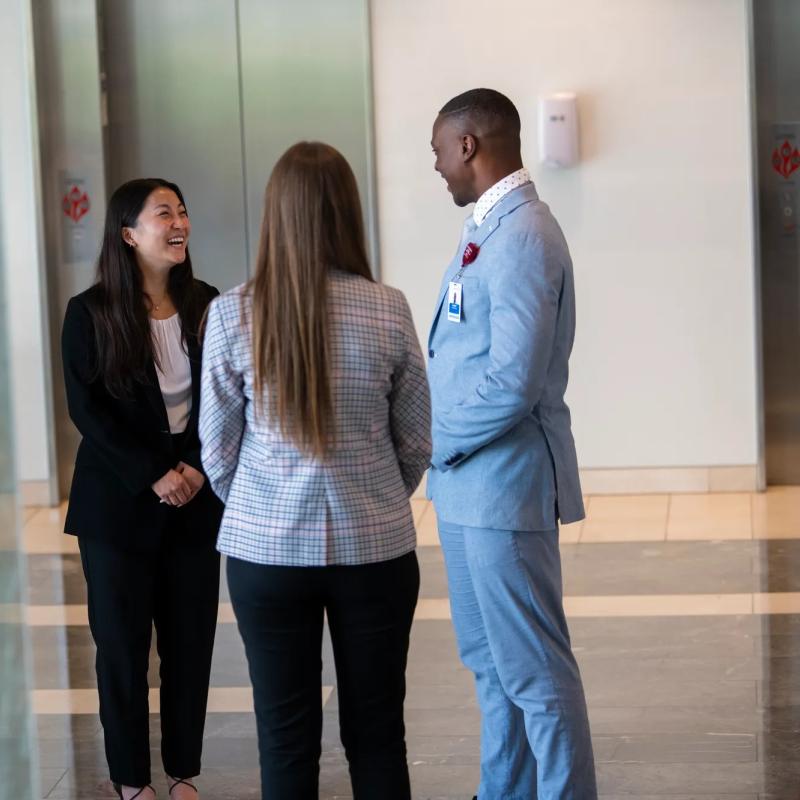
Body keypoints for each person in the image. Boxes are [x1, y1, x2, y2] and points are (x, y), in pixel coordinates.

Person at [200, 141, 431, 800]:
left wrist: (258, 506)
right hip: (377, 550)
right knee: (379, 734)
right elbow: (415, 442)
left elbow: (216, 452)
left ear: (276, 214)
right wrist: (379, 495)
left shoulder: (231, 314)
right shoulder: (388, 308)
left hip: (265, 555)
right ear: (346, 214)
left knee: (284, 737)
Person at [427, 88, 597, 798]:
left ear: (469, 144)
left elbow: (513, 382)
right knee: (491, 666)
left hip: (503, 490)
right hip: (468, 490)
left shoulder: (525, 233)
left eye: (438, 148)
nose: (434, 164)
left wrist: (428, 441)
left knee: (535, 673)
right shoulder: (490, 228)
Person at [61, 178, 223, 800]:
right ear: (129, 234)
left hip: (194, 503)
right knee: (123, 652)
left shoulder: (209, 304)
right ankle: (131, 780)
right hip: (118, 509)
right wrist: (153, 472)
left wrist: (199, 467)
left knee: (190, 647)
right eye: (165, 213)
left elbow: (226, 397)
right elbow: (88, 409)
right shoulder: (91, 311)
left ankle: (184, 773)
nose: (179, 221)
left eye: (182, 210)